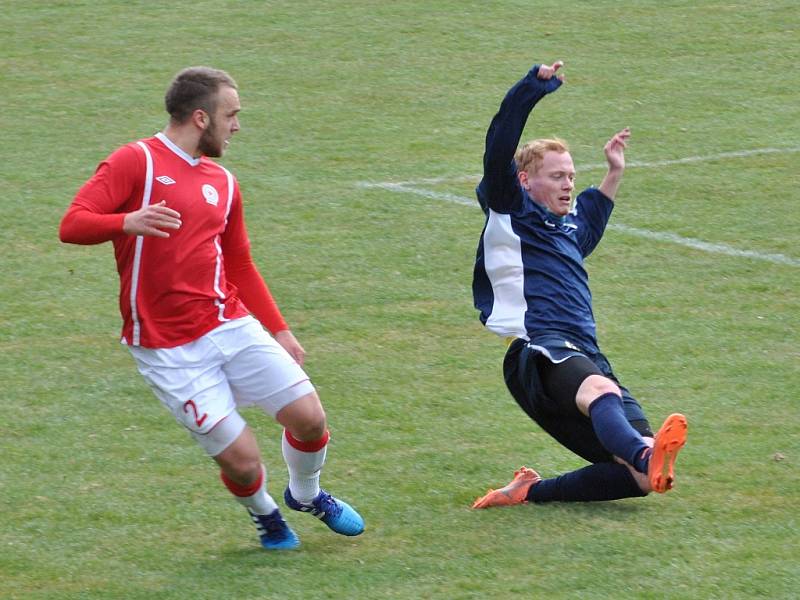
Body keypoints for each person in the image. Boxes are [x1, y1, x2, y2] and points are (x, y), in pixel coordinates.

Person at [59, 66, 364, 548]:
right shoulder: (135, 161)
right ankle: (266, 516)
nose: (237, 126)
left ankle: (306, 494)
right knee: (242, 461)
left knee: (310, 417)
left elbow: (239, 260)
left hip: (228, 323)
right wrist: (126, 221)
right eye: (232, 115)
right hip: (166, 347)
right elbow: (72, 223)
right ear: (201, 117)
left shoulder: (222, 181)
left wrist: (279, 329)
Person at [470, 60, 687, 509]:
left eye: (571, 175)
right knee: (604, 399)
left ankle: (532, 493)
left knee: (639, 480)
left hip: (584, 353)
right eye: (557, 175)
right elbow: (498, 147)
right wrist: (533, 87)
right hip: (540, 350)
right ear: (525, 181)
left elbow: (591, 221)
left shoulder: (567, 232)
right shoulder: (513, 212)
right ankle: (647, 453)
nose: (568, 183)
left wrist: (613, 172)